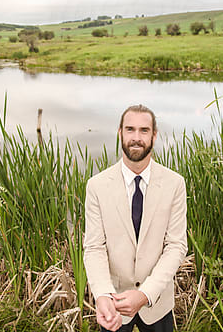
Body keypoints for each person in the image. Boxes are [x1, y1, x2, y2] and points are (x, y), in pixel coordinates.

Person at [83, 104, 188, 332]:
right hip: (113, 304)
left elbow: (176, 245)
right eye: (130, 129)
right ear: (120, 132)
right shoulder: (97, 186)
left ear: (154, 135)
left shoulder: (175, 184)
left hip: (156, 301)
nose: (136, 138)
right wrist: (102, 294)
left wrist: (145, 294)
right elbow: (94, 247)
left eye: (144, 130)